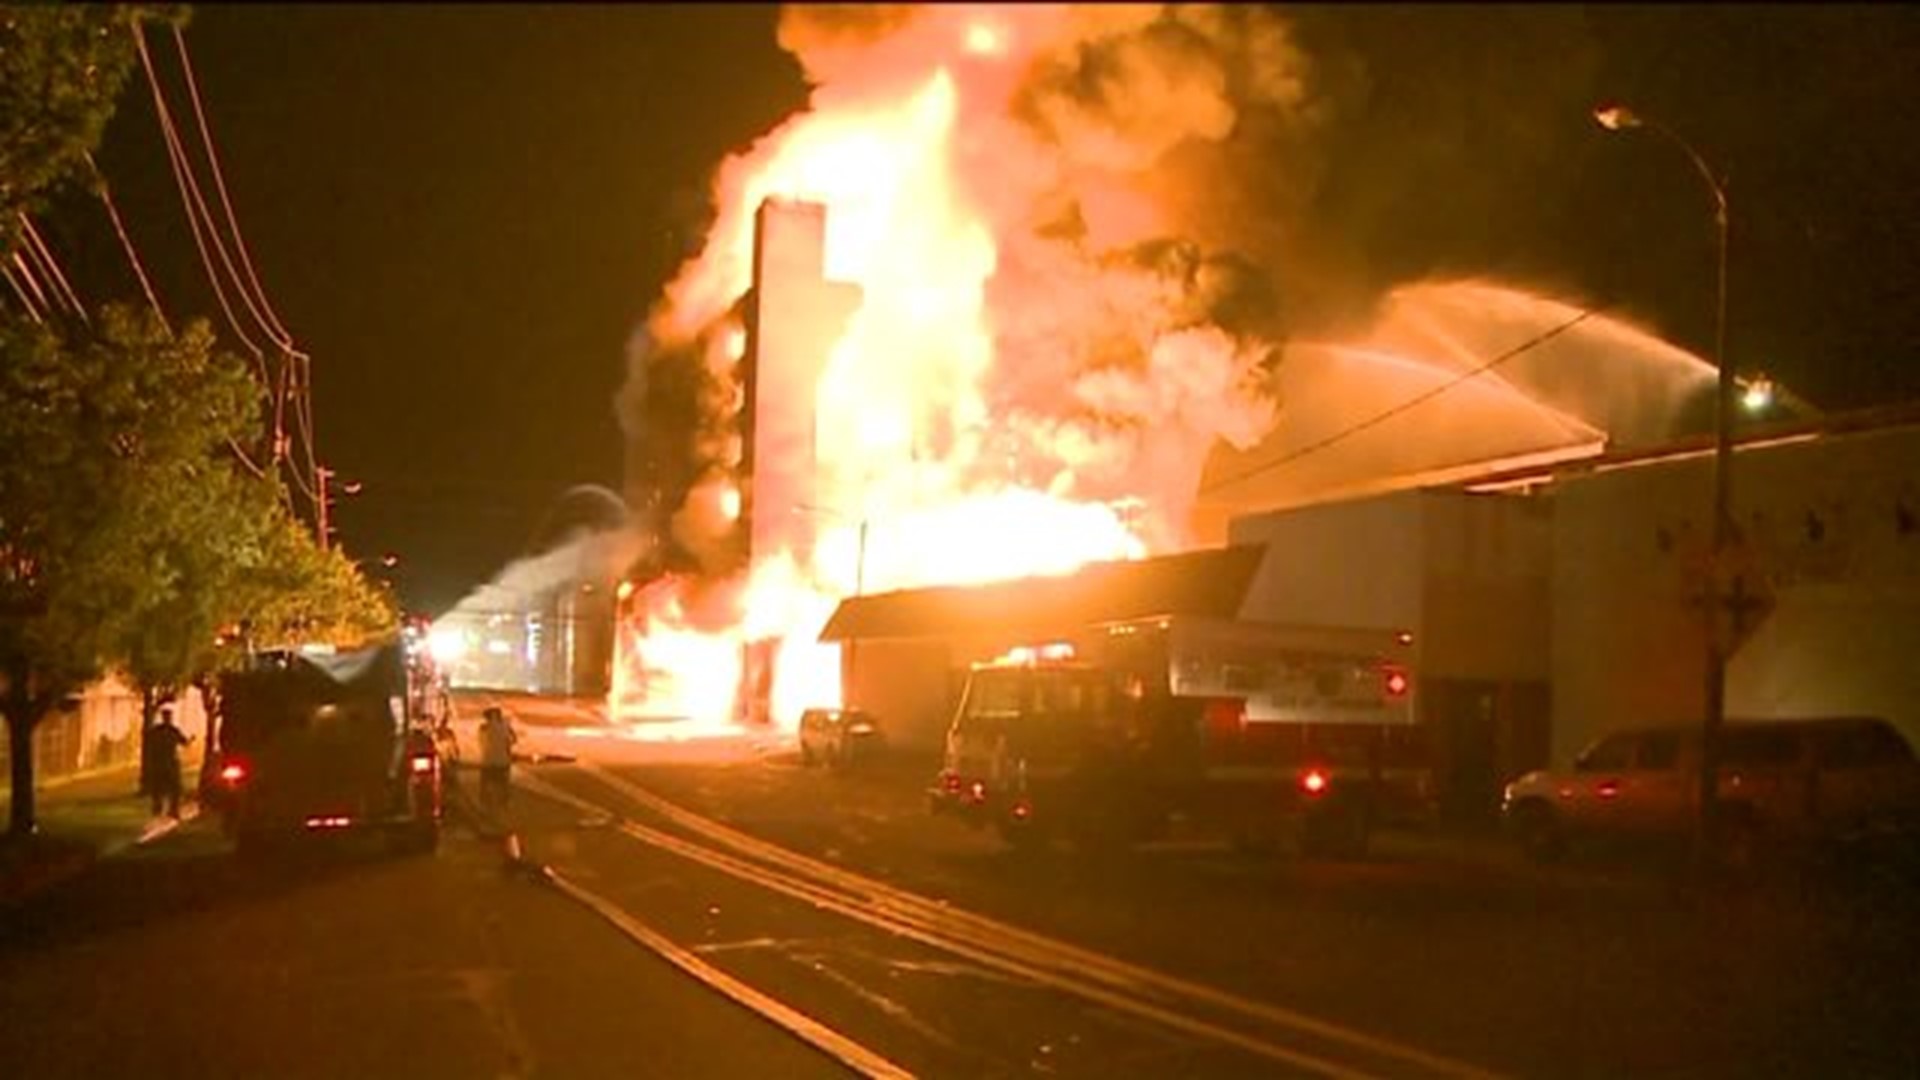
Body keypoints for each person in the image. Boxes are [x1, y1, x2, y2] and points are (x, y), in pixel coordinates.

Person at [144, 706, 192, 819]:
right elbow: (185, 743)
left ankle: (160, 807)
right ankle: (172, 810)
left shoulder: (157, 731)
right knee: (174, 787)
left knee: (159, 787)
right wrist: (190, 740)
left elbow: (149, 745)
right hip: (169, 762)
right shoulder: (173, 730)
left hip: (160, 762)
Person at [478, 705, 519, 816]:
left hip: (488, 761)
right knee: (504, 784)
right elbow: (513, 740)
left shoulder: (483, 728)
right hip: (503, 761)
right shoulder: (505, 727)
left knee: (485, 784)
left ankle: (484, 803)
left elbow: (481, 744)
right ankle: (505, 803)